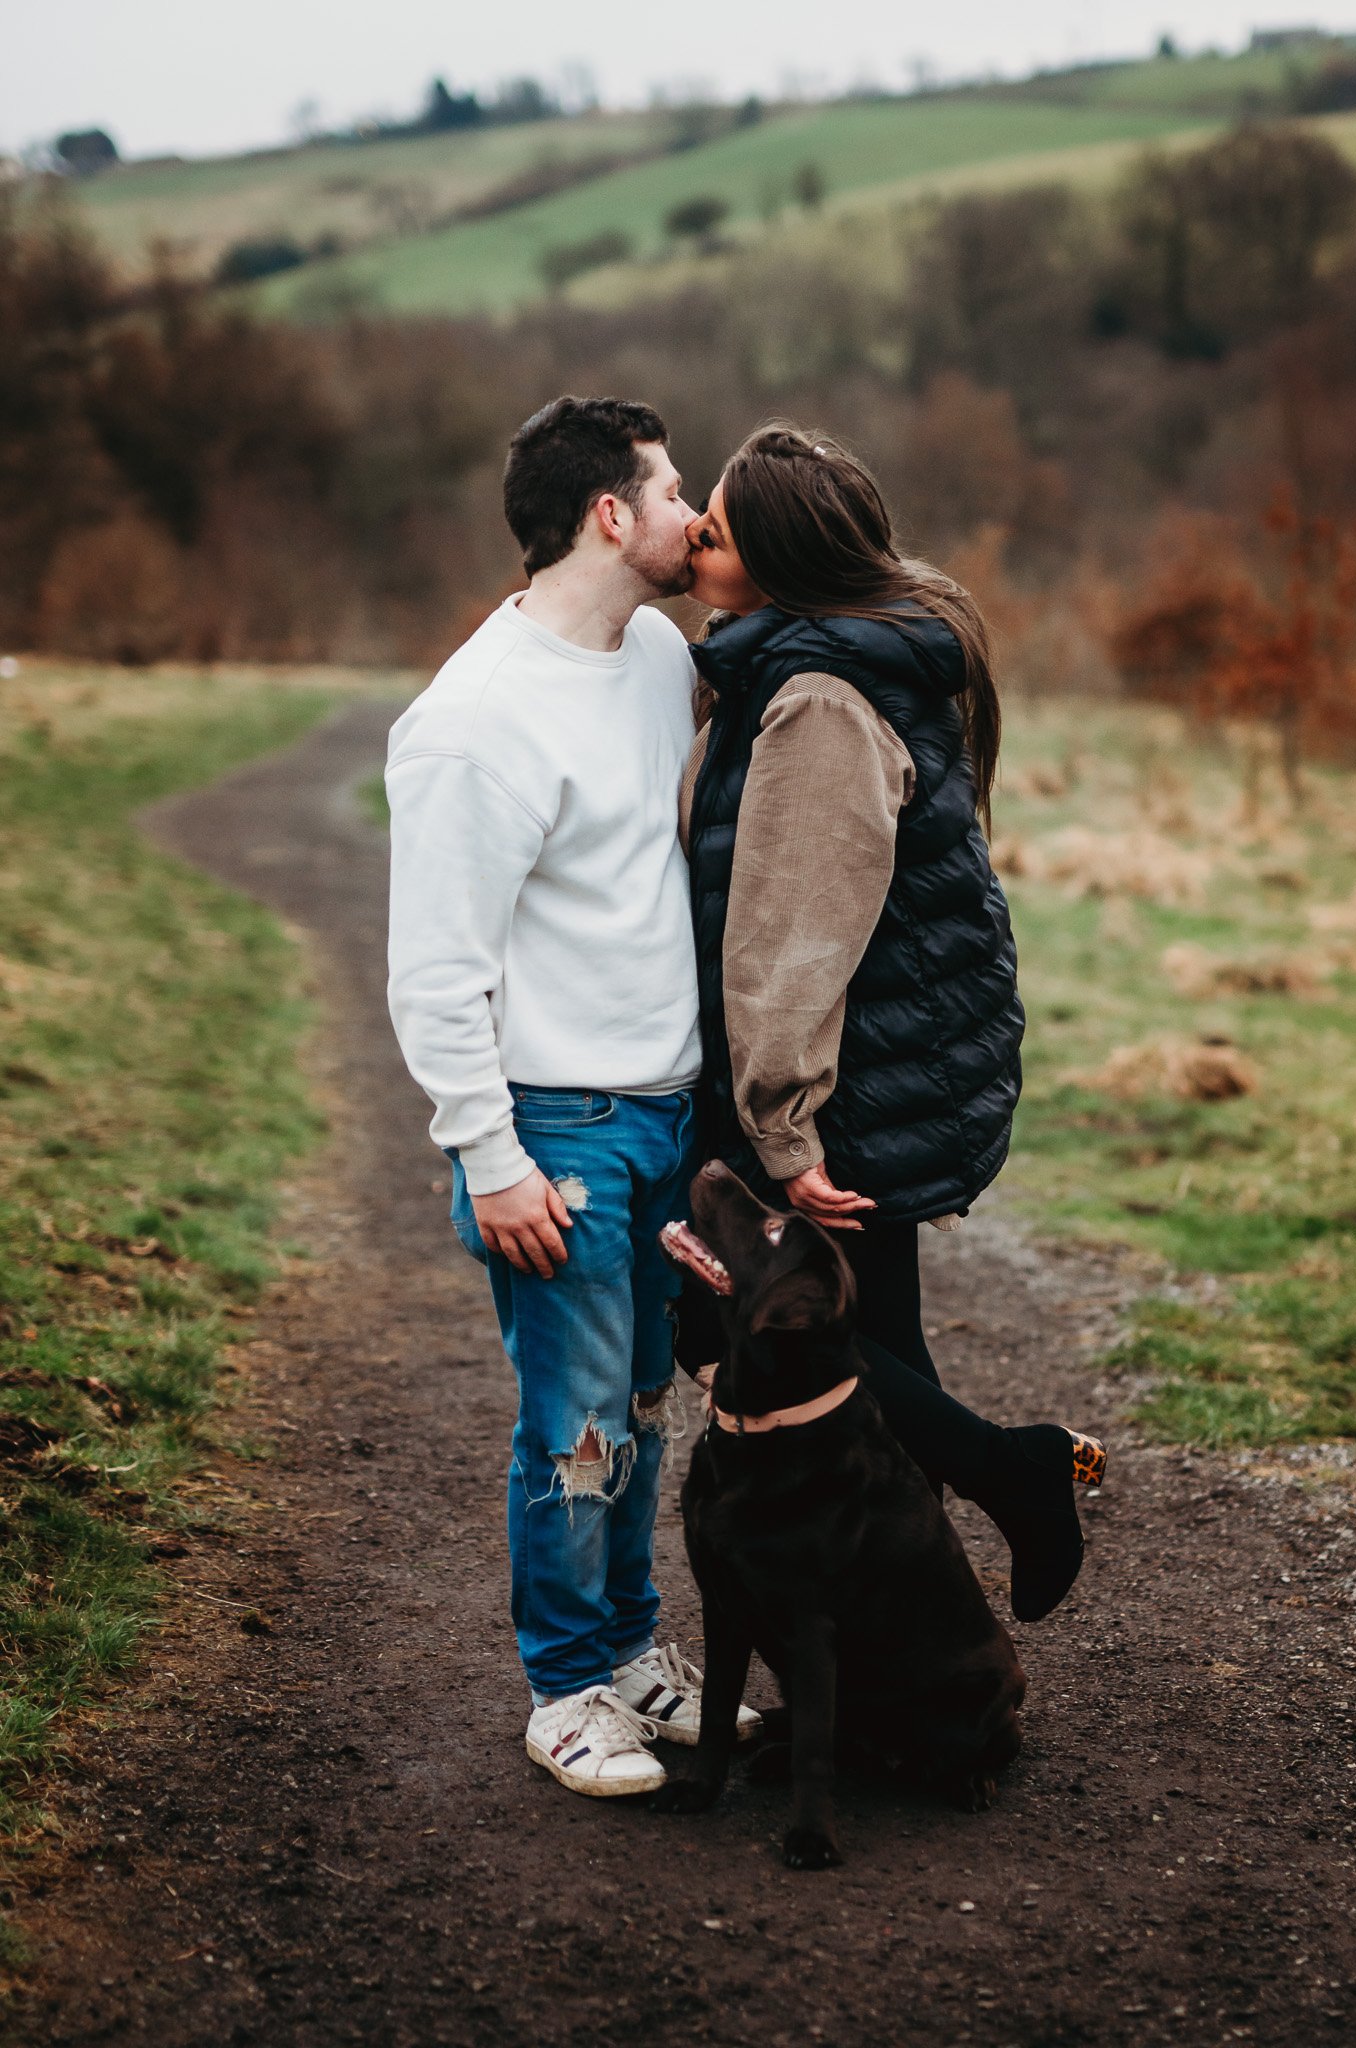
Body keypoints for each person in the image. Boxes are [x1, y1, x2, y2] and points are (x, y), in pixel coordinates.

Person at [385, 396, 758, 1802]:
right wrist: (488, 1158)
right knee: (573, 1419)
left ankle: (630, 1650)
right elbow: (433, 970)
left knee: (643, 1404)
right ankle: (562, 1691)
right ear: (611, 512)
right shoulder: (473, 720)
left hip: (666, 1117)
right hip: (560, 1131)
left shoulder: (656, 651)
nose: (693, 516)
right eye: (672, 493)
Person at [676, 422, 1107, 1623]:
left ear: (773, 556)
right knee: (880, 1355)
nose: (694, 537)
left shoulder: (816, 696)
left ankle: (1009, 1474)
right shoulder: (824, 661)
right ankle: (906, 1658)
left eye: (714, 523)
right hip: (890, 1064)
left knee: (738, 1325)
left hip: (848, 1086)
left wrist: (783, 1127)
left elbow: (792, 936)